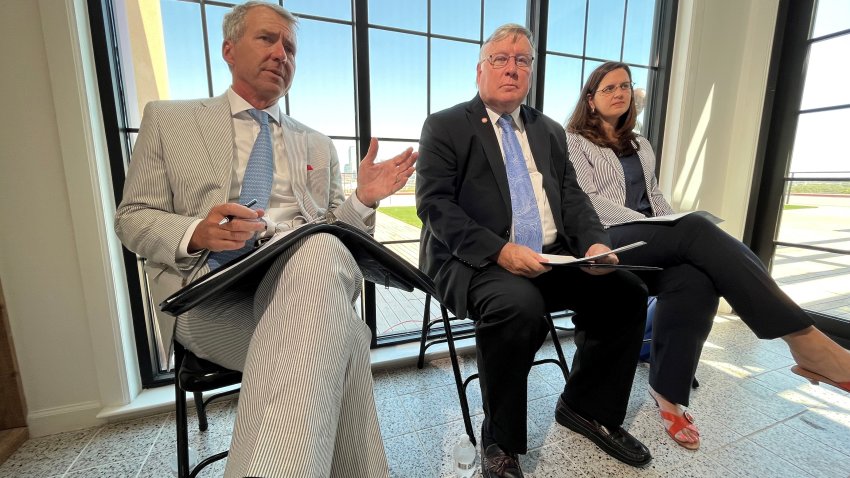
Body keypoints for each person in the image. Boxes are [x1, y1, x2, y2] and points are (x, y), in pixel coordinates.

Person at [114, 2, 416, 477]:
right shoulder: (169, 122)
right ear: (228, 50)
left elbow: (341, 238)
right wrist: (196, 232)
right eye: (267, 39)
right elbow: (131, 218)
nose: (282, 53)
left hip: (302, 285)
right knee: (348, 336)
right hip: (207, 297)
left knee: (319, 247)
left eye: (291, 47)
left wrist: (363, 201)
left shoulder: (317, 144)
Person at [565, 61, 850, 451]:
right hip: (606, 236)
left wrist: (668, 219)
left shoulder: (641, 145)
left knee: (695, 277)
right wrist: (665, 227)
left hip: (650, 233)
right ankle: (805, 339)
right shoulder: (573, 141)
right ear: (591, 100)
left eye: (626, 86)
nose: (620, 93)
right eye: (609, 87)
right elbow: (588, 201)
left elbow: (656, 197)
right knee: (695, 229)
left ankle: (668, 393)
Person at [416, 25, 653, 477]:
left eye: (522, 60)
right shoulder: (446, 125)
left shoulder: (547, 130)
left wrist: (594, 243)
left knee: (626, 290)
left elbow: (571, 198)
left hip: (553, 255)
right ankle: (500, 441)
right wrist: (500, 252)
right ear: (480, 70)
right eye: (501, 59)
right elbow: (434, 205)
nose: (512, 68)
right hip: (476, 258)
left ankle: (588, 408)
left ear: (531, 71)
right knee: (517, 306)